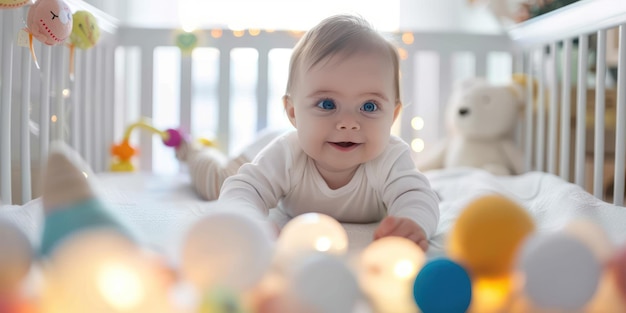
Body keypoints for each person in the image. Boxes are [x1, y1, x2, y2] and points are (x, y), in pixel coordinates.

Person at [215, 14, 440, 251]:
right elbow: (244, 188)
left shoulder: (389, 157)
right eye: (327, 104)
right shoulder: (288, 153)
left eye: (369, 106)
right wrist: (249, 221)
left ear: (392, 117)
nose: (348, 123)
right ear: (293, 113)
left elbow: (418, 196)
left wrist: (412, 223)